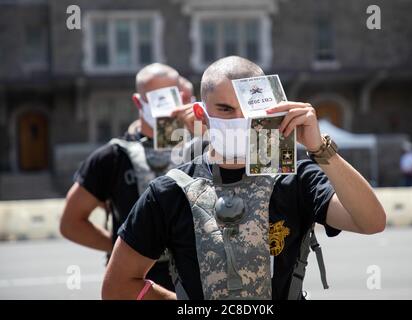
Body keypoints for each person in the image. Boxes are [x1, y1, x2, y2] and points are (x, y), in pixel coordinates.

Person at [102, 56, 386, 300]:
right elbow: (117, 286)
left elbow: (371, 221)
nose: (239, 120)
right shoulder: (170, 190)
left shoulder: (296, 179)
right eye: (225, 109)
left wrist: (318, 148)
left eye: (248, 110)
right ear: (201, 113)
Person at [60, 63, 200, 291]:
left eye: (173, 94)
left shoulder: (199, 148)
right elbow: (71, 222)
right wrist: (127, 246)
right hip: (137, 286)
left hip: (190, 284)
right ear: (138, 102)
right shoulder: (113, 157)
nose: (168, 104)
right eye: (158, 97)